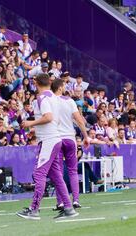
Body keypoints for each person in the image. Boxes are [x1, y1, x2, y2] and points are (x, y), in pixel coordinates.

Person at [16, 74, 78, 220]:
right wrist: (36, 128)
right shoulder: (54, 97)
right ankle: (68, 208)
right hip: (55, 137)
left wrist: (30, 124)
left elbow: (48, 117)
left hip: (48, 140)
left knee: (39, 174)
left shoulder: (42, 98)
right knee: (56, 175)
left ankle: (34, 209)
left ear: (36, 83)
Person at [51, 79, 90, 211]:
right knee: (73, 170)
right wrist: (85, 136)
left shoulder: (49, 101)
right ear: (60, 88)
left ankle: (60, 202)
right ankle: (76, 200)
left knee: (58, 172)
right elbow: (79, 120)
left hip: (56, 138)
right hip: (69, 138)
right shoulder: (69, 101)